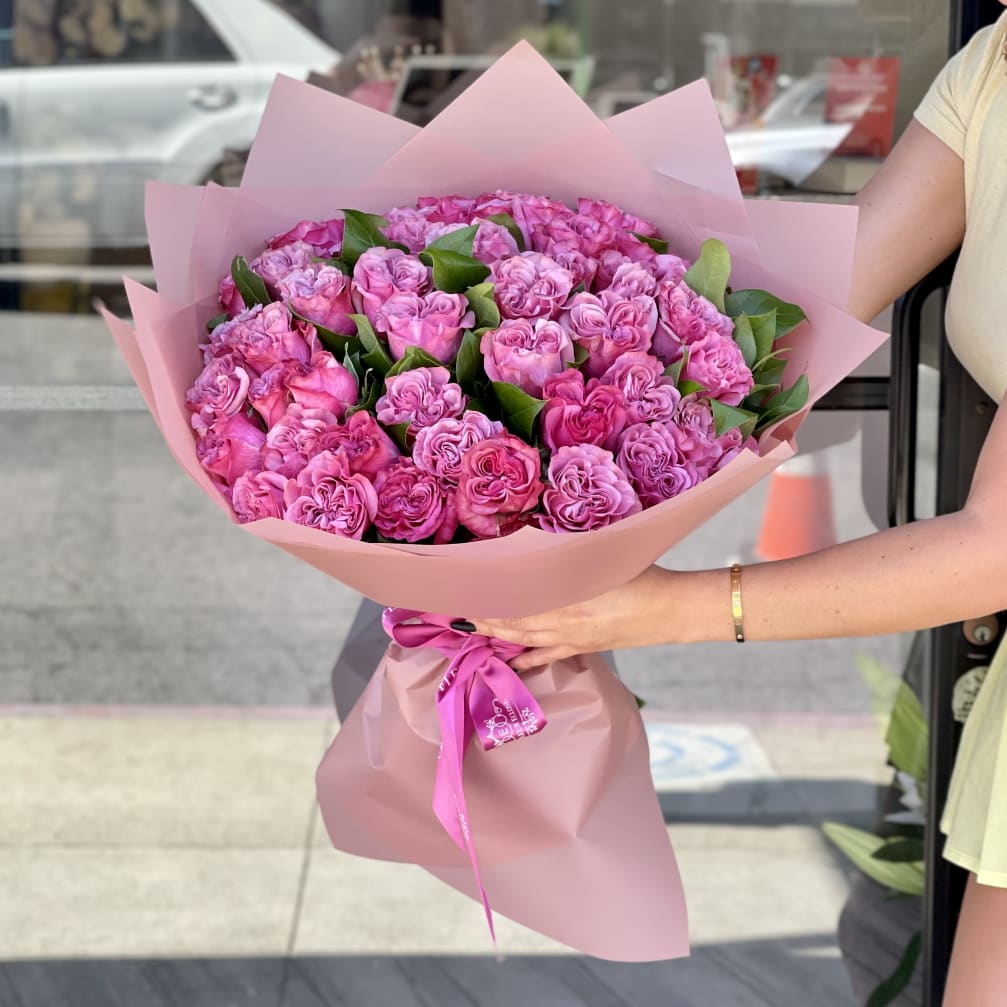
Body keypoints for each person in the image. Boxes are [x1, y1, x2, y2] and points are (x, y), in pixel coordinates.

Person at [468, 10, 1007, 1005]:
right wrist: (514, 390)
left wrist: (661, 605)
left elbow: (995, 547)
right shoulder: (993, 66)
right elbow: (784, 324)